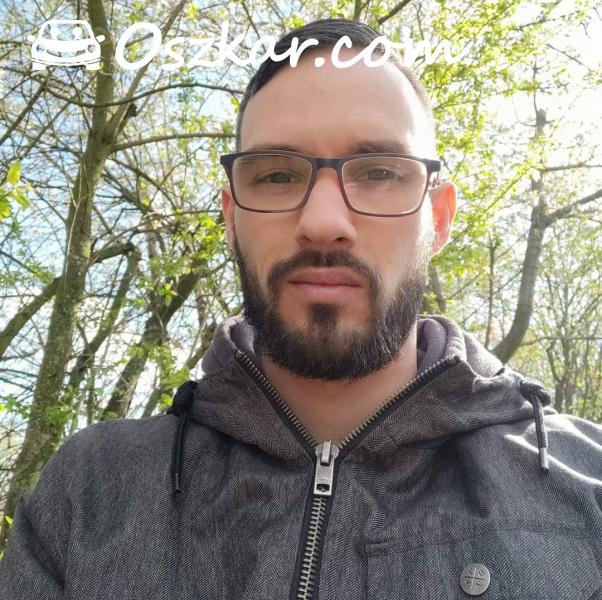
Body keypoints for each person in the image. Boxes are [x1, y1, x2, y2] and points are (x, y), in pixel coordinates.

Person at [1, 17, 601, 600]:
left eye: (378, 172)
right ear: (232, 218)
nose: (322, 221)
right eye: (277, 176)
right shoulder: (91, 491)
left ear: (437, 219)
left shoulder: (589, 488)